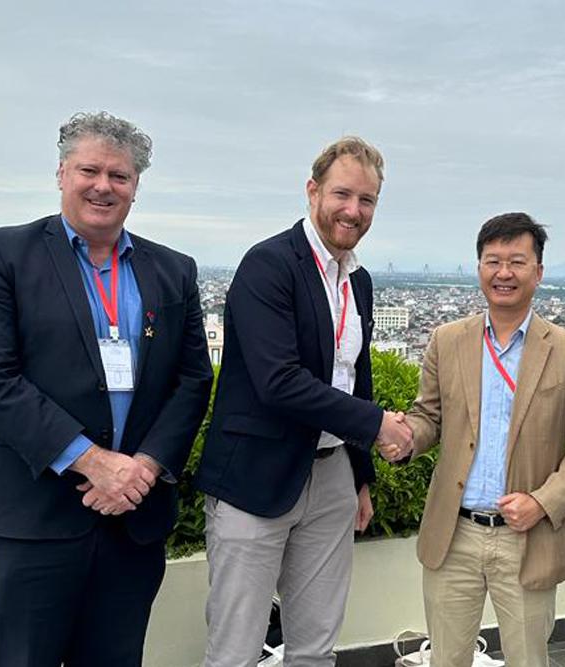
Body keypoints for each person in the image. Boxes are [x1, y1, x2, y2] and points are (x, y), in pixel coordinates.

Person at [0, 111, 214, 666]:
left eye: (119, 176)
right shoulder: (4, 255)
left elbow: (194, 379)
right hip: (30, 521)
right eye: (89, 170)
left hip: (132, 523)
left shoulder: (173, 270)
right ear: (61, 173)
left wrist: (142, 468)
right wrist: (93, 461)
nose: (103, 186)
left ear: (136, 186)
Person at [194, 136, 412, 666]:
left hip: (333, 475)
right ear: (312, 191)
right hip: (256, 477)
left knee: (316, 645)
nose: (353, 210)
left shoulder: (356, 281)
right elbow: (279, 382)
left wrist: (360, 476)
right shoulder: (269, 264)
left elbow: (353, 378)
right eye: (342, 194)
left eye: (367, 201)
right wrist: (380, 424)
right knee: (236, 651)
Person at [381, 212, 565, 667]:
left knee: (528, 659)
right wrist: (406, 440)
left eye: (517, 261)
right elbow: (430, 417)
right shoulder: (447, 340)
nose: (503, 272)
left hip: (528, 537)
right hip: (455, 532)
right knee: (446, 659)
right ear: (479, 267)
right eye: (492, 261)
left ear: (538, 272)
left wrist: (543, 502)